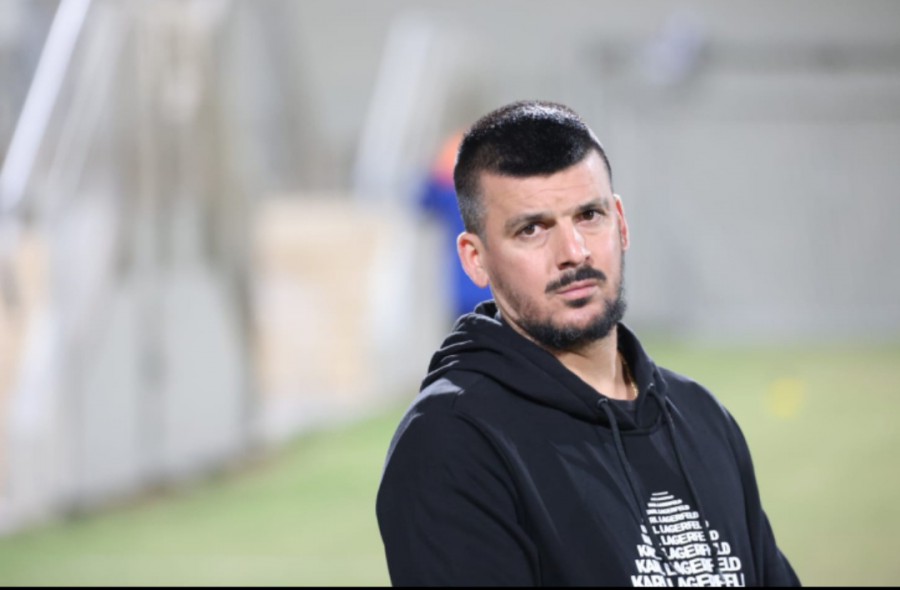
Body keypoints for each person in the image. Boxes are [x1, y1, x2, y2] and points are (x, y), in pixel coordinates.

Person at [376, 100, 800, 587]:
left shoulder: (701, 416)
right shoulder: (452, 443)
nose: (574, 253)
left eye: (589, 216)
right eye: (532, 229)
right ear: (476, 259)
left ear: (621, 222)